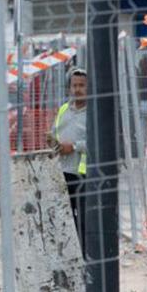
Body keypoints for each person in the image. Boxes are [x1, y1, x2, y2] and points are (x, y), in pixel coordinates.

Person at [51, 69, 87, 245]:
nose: (77, 89)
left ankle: (85, 254)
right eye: (74, 85)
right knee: (65, 218)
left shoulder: (93, 112)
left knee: (84, 219)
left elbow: (99, 142)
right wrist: (53, 142)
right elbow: (55, 132)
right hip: (62, 172)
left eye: (81, 85)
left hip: (84, 175)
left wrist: (73, 147)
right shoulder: (64, 109)